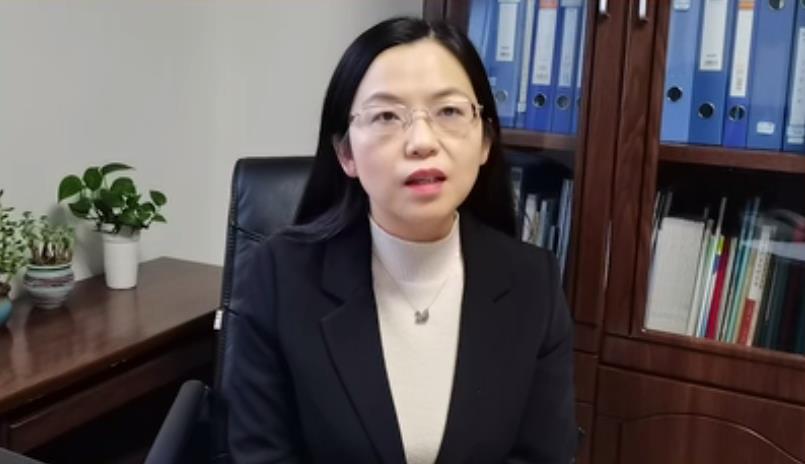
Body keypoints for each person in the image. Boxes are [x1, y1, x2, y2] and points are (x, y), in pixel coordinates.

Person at [226, 16, 577, 464]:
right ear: (346, 153)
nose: (421, 142)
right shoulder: (279, 277)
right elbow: (261, 454)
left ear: (485, 141)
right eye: (387, 116)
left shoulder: (532, 283)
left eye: (449, 111)